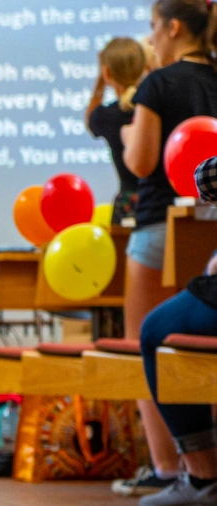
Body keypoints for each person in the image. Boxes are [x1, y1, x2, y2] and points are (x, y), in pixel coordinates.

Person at [118, 0, 217, 498]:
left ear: (173, 27)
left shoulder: (158, 83)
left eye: (153, 28)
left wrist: (125, 132)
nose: (151, 38)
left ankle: (171, 468)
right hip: (210, 228)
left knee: (150, 342)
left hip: (160, 227)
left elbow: (141, 162)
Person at [86, 37, 146, 226]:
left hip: (128, 203)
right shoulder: (151, 105)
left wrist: (100, 82)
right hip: (156, 200)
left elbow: (90, 121)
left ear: (107, 73)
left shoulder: (106, 115)